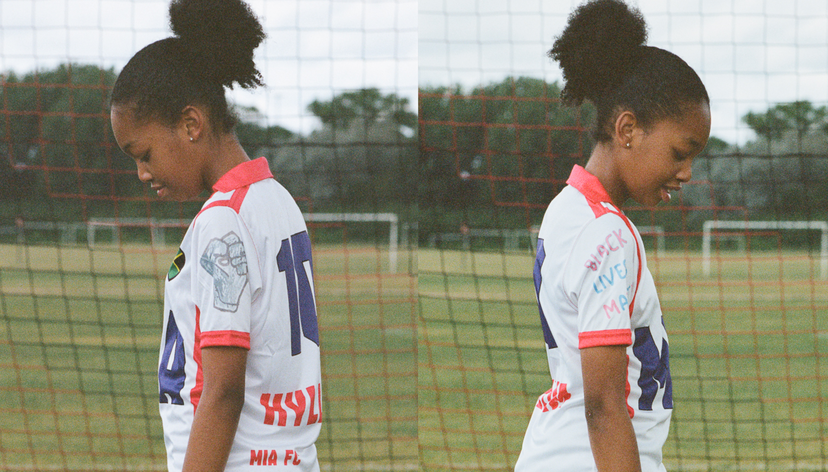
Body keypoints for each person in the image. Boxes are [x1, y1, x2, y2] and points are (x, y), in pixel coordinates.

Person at [109, 1, 322, 470]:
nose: (142, 173)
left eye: (143, 154)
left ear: (191, 124)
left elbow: (223, 391)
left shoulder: (222, 221)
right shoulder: (278, 200)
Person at [515, 0, 710, 471]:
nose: (686, 173)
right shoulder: (605, 232)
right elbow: (603, 404)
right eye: (679, 152)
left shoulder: (569, 208)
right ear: (627, 129)